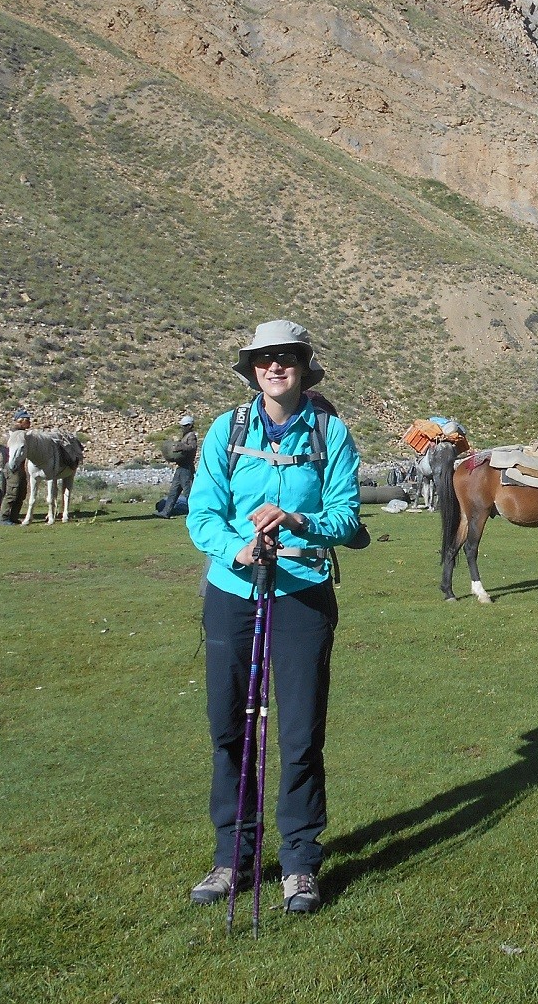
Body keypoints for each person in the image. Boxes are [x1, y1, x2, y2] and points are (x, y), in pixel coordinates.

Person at [185, 320, 361, 915]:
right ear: (253, 368)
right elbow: (202, 511)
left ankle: (301, 864)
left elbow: (346, 516)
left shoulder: (330, 433)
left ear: (303, 365)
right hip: (234, 590)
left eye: (286, 357)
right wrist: (236, 546)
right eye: (264, 358)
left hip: (303, 591)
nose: (275, 366)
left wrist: (298, 522)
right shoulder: (225, 431)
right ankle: (233, 858)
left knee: (301, 730)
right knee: (228, 725)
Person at [0, 408, 34, 525]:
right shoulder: (16, 434)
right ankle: (4, 518)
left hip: (20, 466)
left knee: (21, 493)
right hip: (12, 467)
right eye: (27, 420)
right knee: (12, 493)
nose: (29, 422)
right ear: (20, 421)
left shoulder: (21, 434)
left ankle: (13, 517)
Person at [156, 414, 199, 517]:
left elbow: (193, 447)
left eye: (184, 426)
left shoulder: (191, 436)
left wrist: (181, 447)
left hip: (186, 468)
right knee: (173, 492)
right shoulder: (185, 436)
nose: (182, 428)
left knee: (188, 492)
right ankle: (166, 512)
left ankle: (196, 513)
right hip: (181, 468)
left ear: (189, 426)